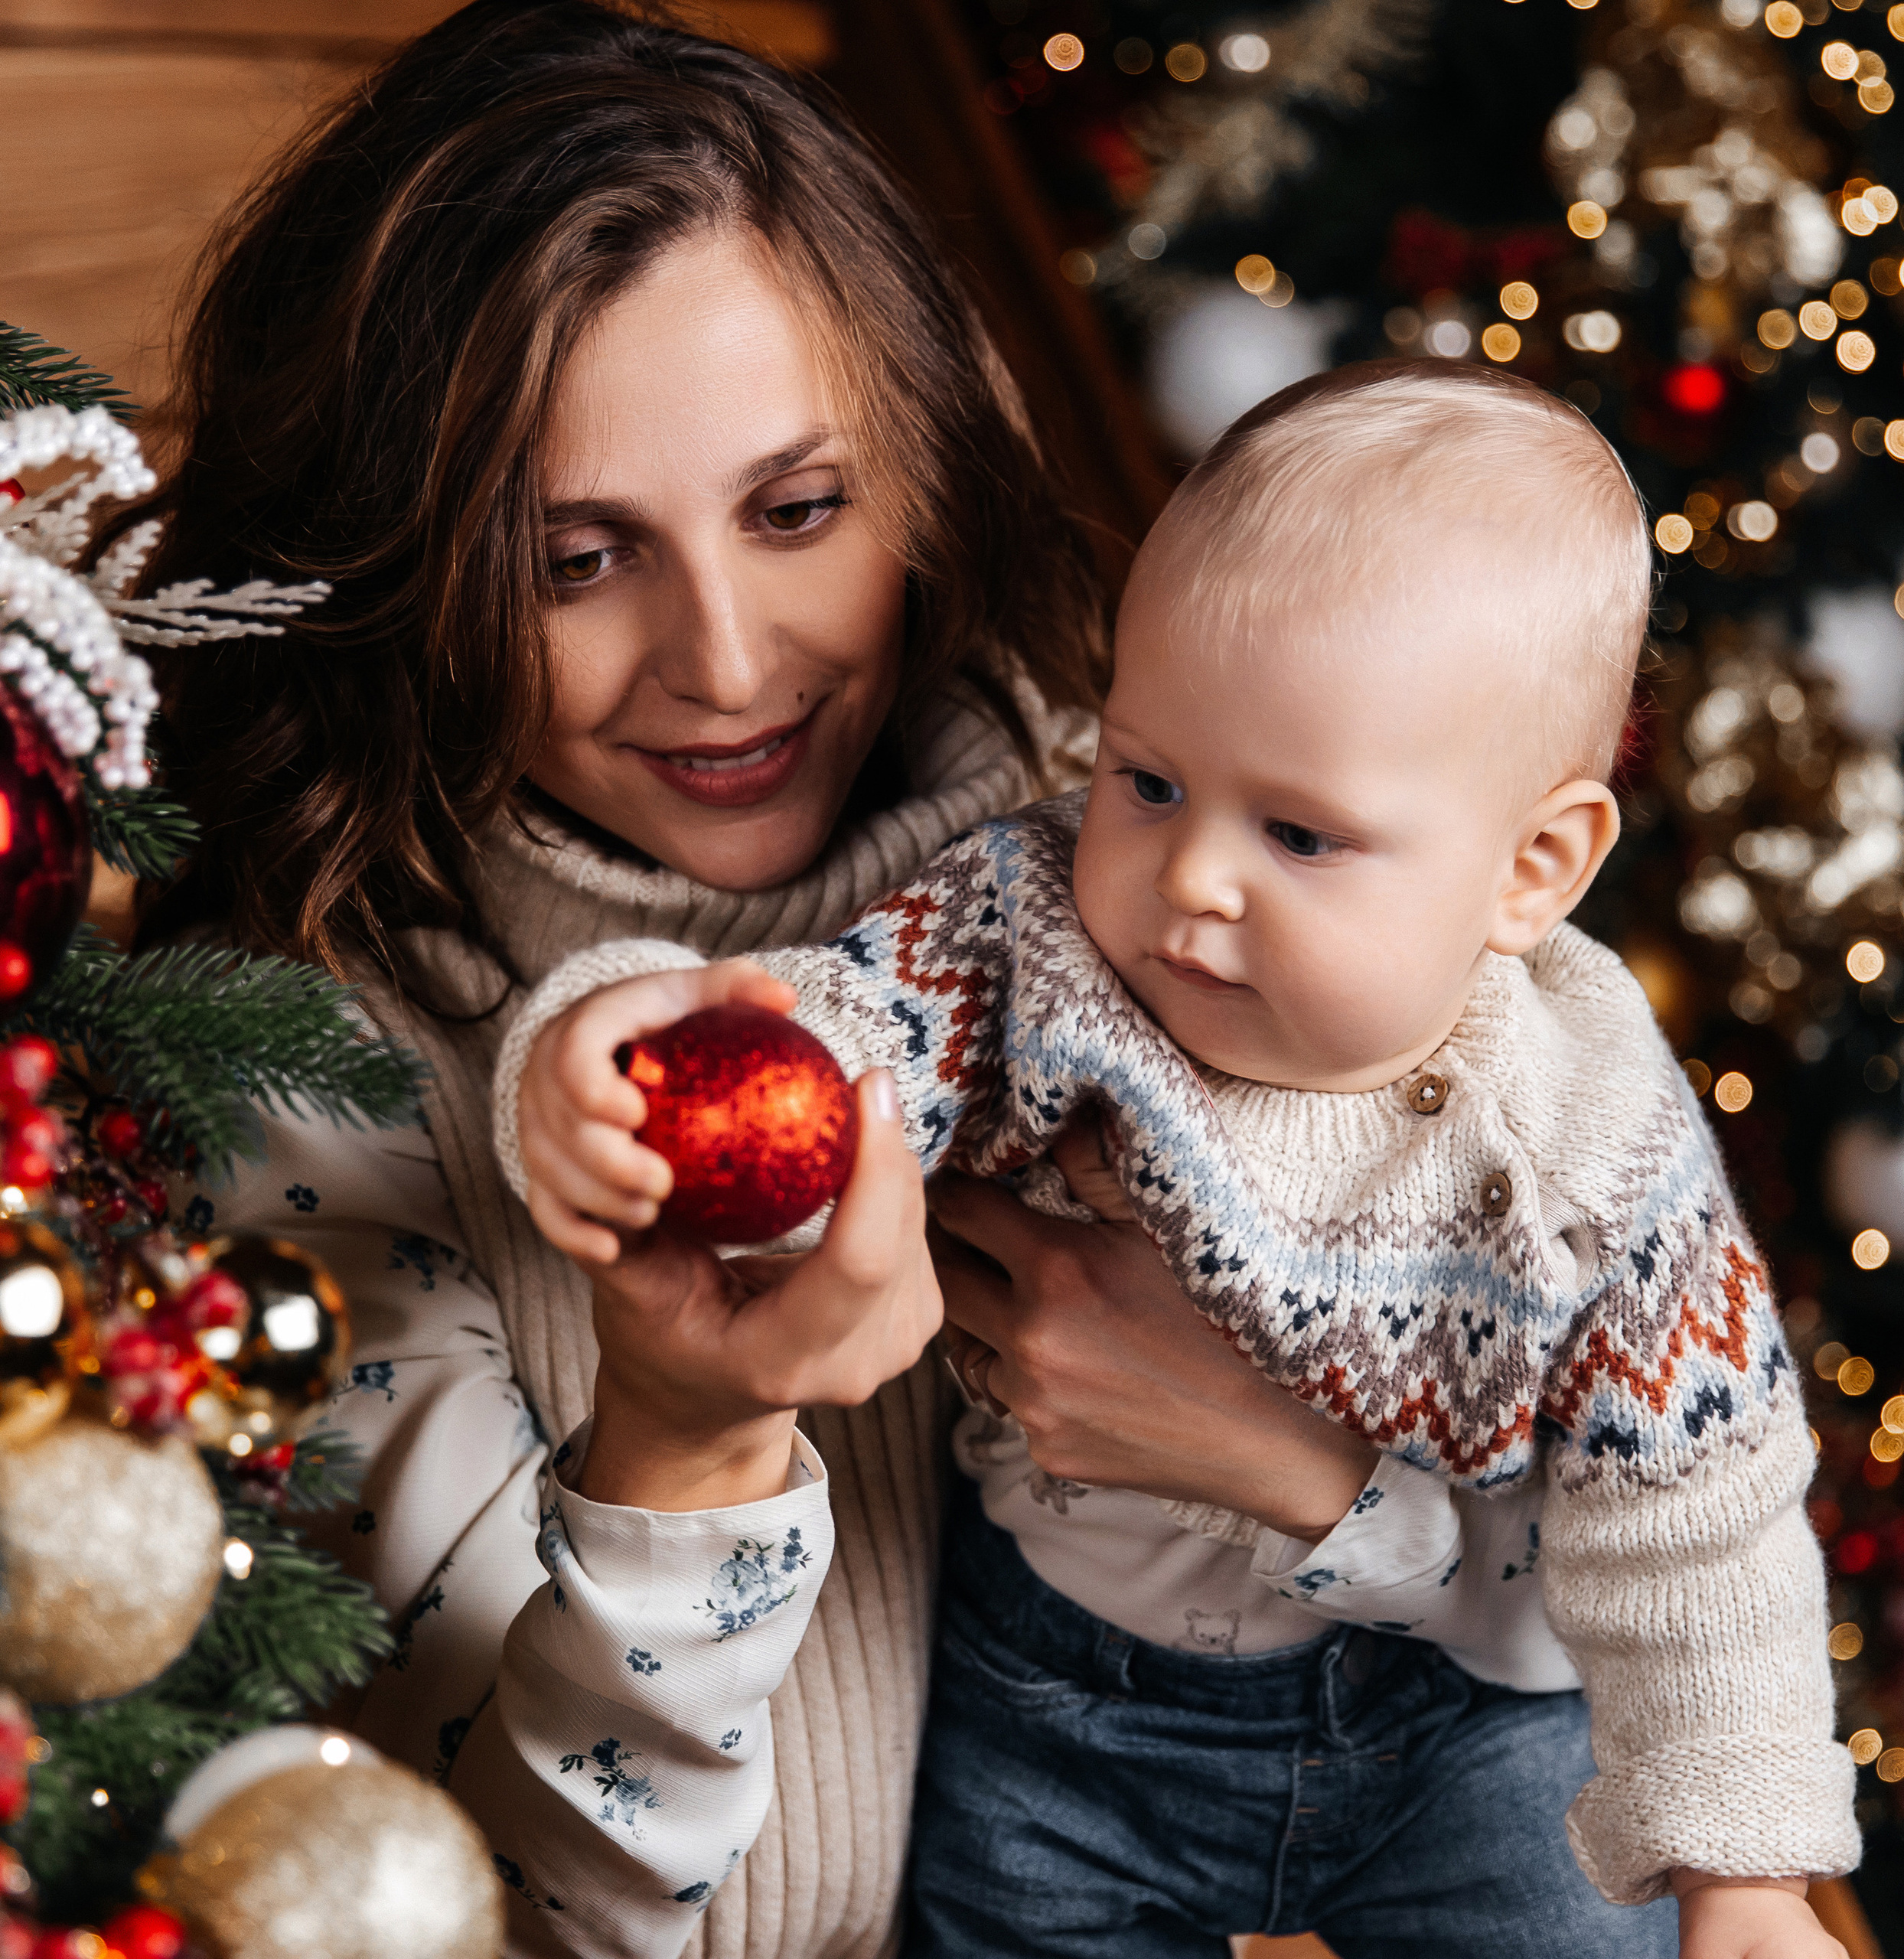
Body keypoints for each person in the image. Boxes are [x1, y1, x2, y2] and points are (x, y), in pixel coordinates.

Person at [112, 6, 1482, 1956]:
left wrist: (1291, 1472)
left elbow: (1612, 1542)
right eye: (576, 559)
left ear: (919, 468)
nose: (729, 661)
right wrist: (682, 1438)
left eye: (795, 511)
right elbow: (501, 1911)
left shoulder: (1164, 886)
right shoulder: (304, 1065)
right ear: (403, 569)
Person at [512, 362, 1860, 1959]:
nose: (1192, 877)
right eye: (1146, 782)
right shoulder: (1029, 937)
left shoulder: (1591, 1133)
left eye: (1298, 835)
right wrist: (621, 1048)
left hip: (1462, 1725)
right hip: (1055, 1705)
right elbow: (822, 1044)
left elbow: (1700, 1504)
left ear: (1532, 867)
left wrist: (1742, 1876)